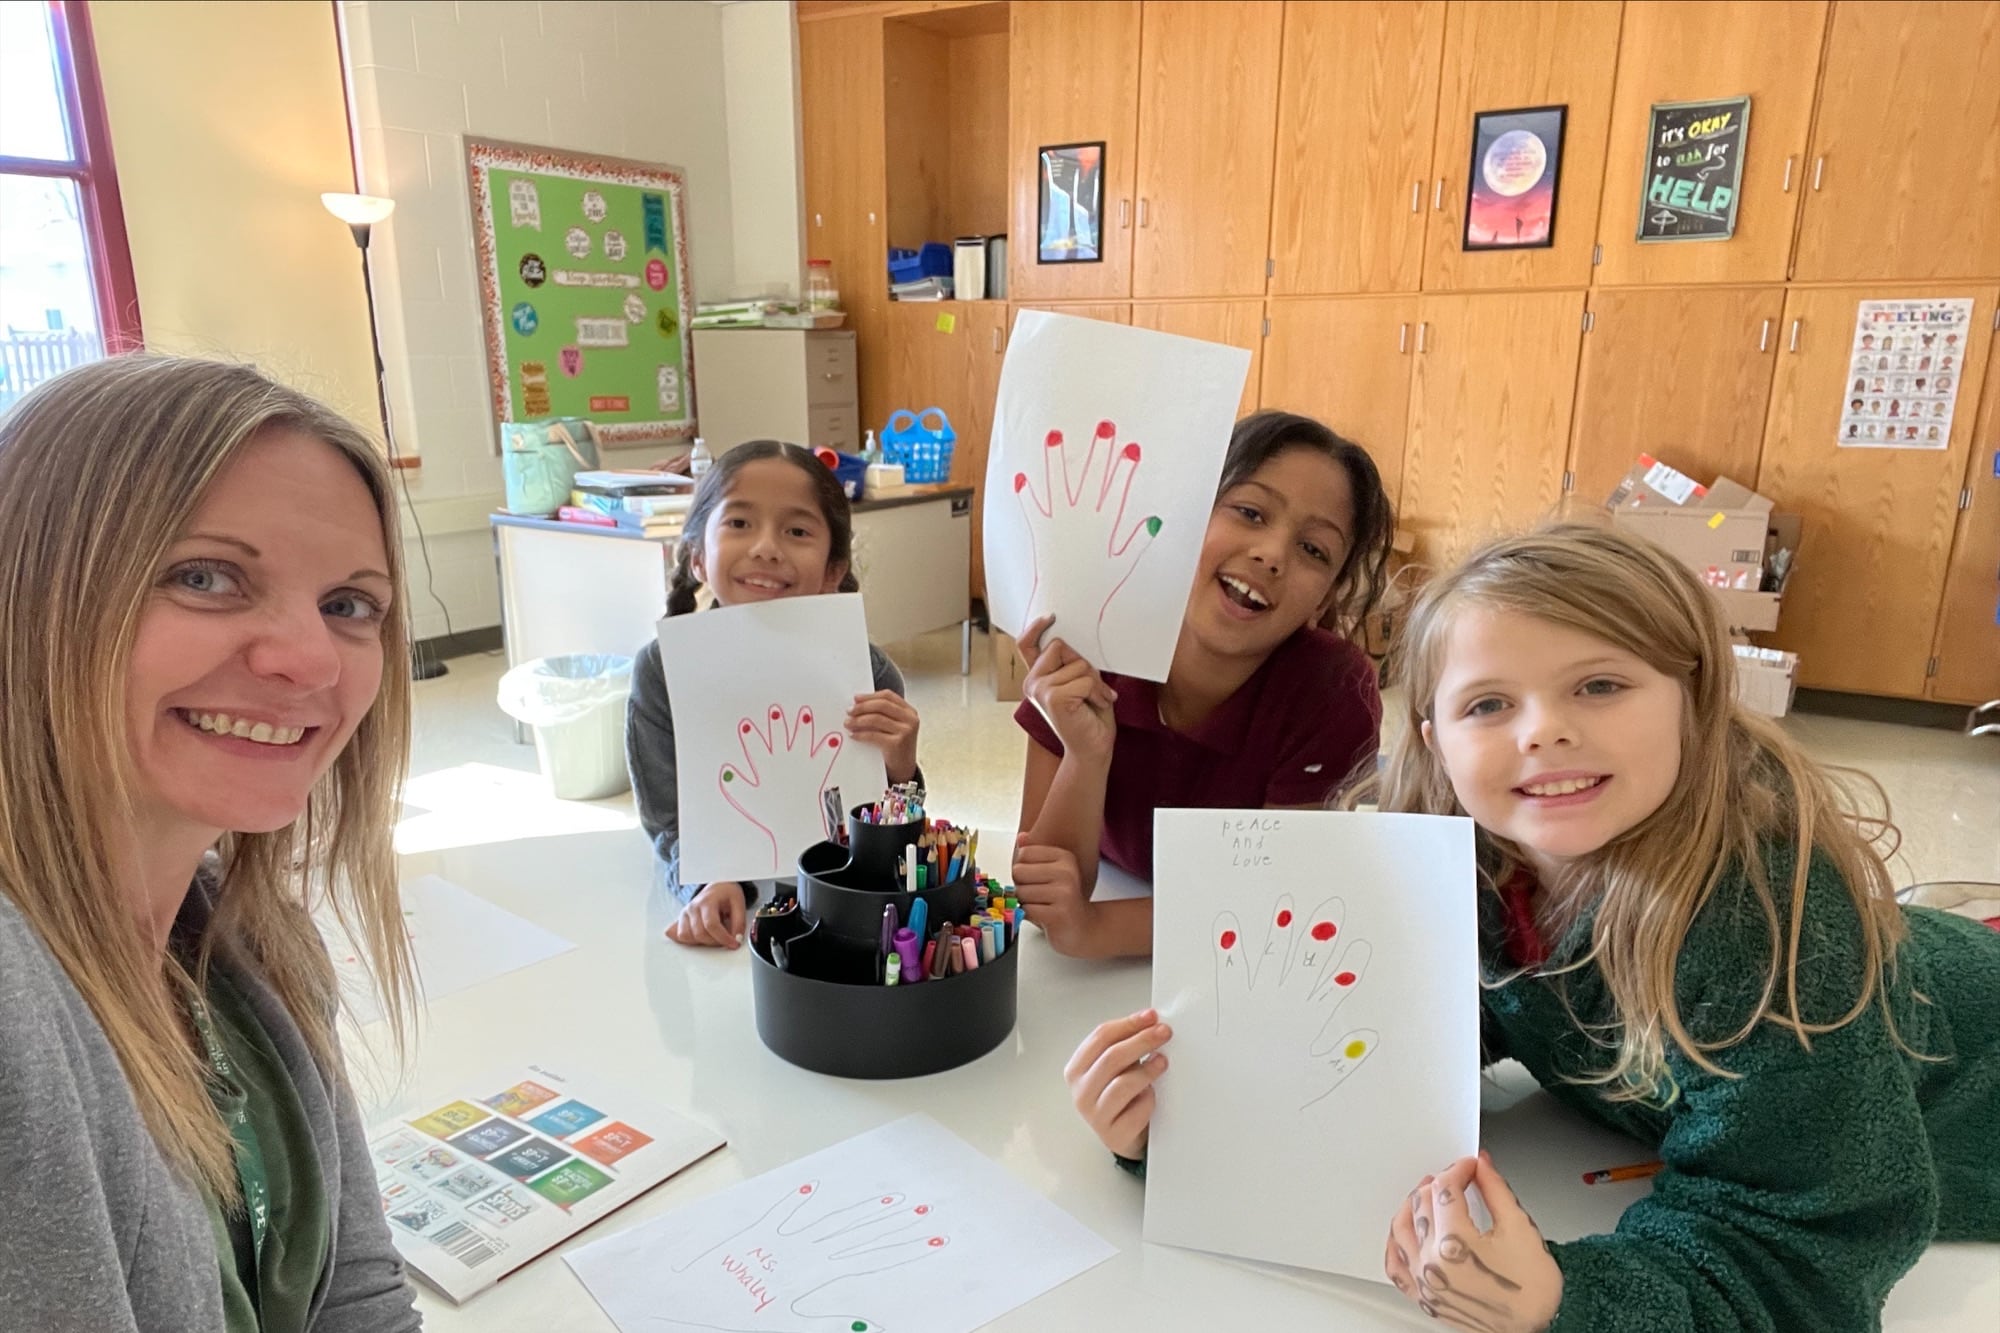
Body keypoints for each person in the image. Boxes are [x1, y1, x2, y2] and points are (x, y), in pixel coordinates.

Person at [1065, 523, 1999, 1332]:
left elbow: (1802, 1251)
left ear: (1696, 697)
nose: (1542, 730)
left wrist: (1566, 1298)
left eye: (1600, 684)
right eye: (1488, 703)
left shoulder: (1771, 923)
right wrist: (1188, 1130)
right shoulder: (1465, 867)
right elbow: (1374, 1064)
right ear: (1432, 738)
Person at [0, 355, 423, 1331]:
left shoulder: (252, 938)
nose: (309, 660)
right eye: (205, 578)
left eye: (348, 604)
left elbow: (357, 1296)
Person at [1011, 411, 1393, 959]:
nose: (1272, 554)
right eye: (1250, 512)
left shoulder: (1334, 689)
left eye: (1314, 549)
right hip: (1124, 907)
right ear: (1189, 515)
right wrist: (1086, 754)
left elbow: (1278, 897)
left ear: (1326, 597)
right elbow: (1042, 891)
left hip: (1224, 953)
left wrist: (1097, 929)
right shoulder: (1094, 630)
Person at [627, 440, 922, 949]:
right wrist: (708, 882)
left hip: (839, 913)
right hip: (733, 920)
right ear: (697, 556)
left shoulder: (869, 674)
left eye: (798, 531)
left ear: (833, 569)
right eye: (739, 523)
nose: (766, 547)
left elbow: (892, 829)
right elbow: (667, 818)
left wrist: (901, 766)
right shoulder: (661, 671)